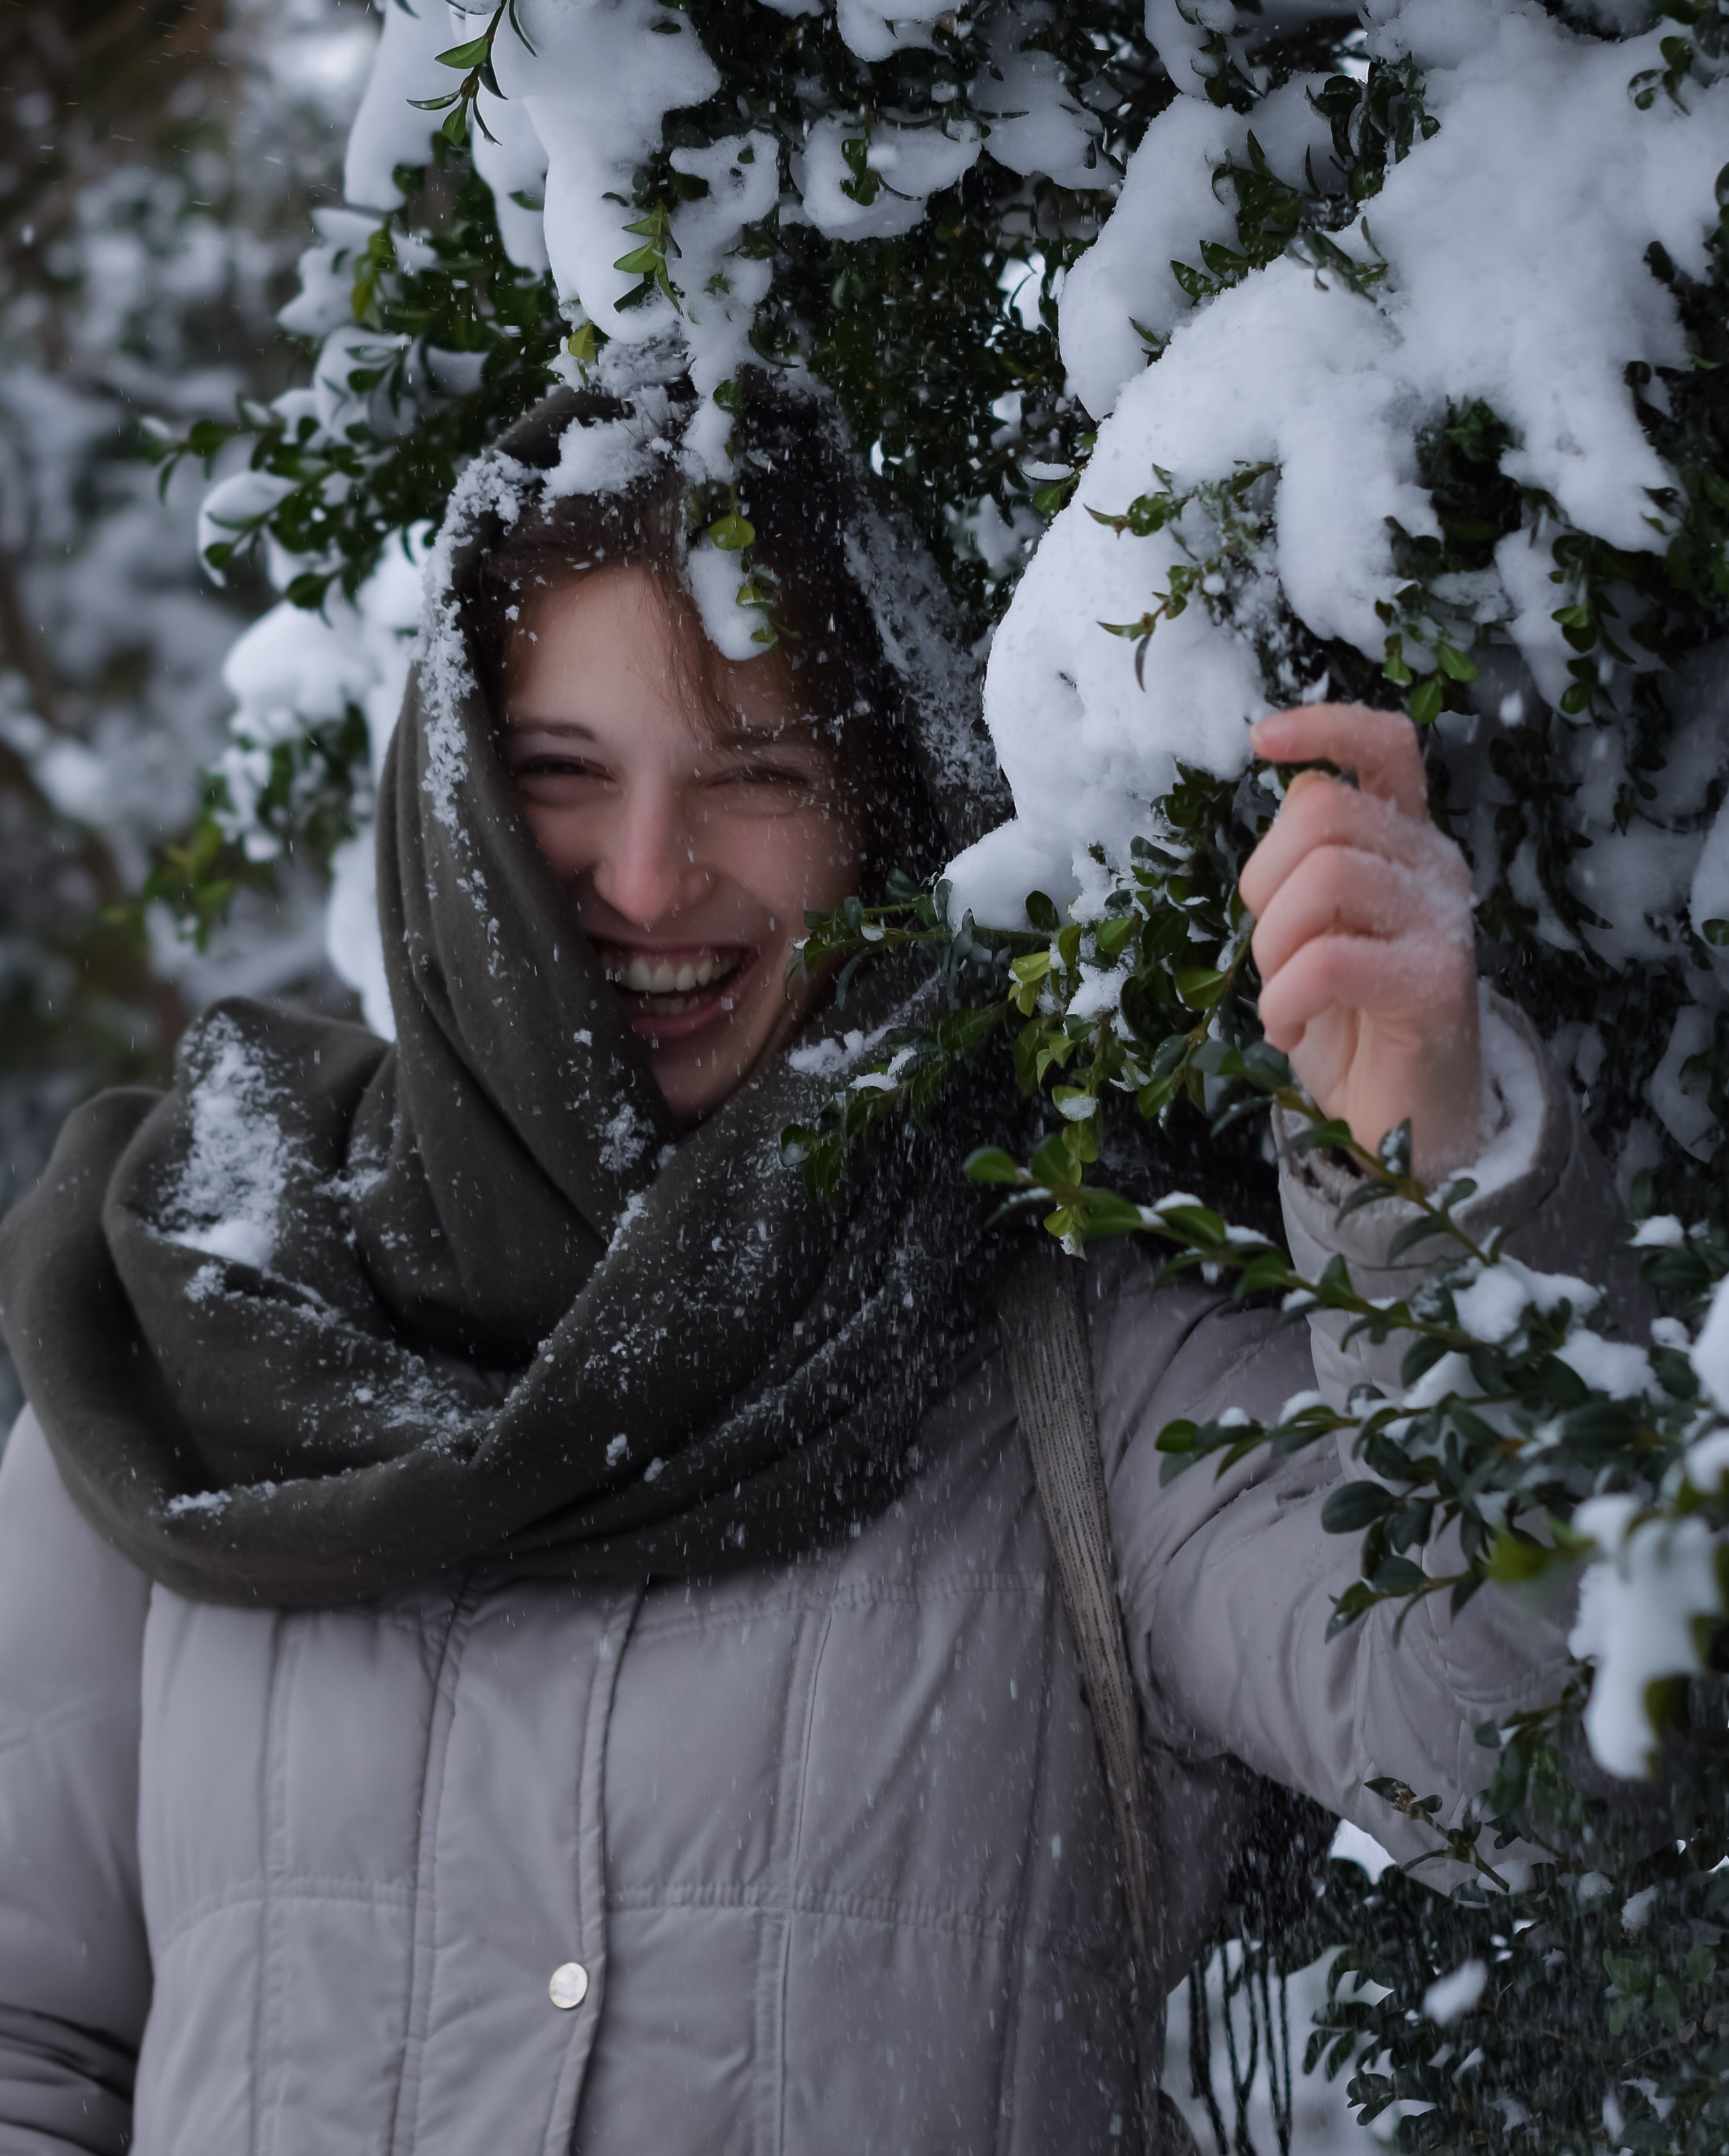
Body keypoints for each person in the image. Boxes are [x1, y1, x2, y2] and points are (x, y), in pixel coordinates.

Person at [0, 380, 1622, 2156]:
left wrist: (1427, 1183)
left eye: (757, 773)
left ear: (880, 810)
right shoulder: (205, 1329)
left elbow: (1528, 1757)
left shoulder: (1072, 1368)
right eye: (558, 770)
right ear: (450, 795)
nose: (645, 874)